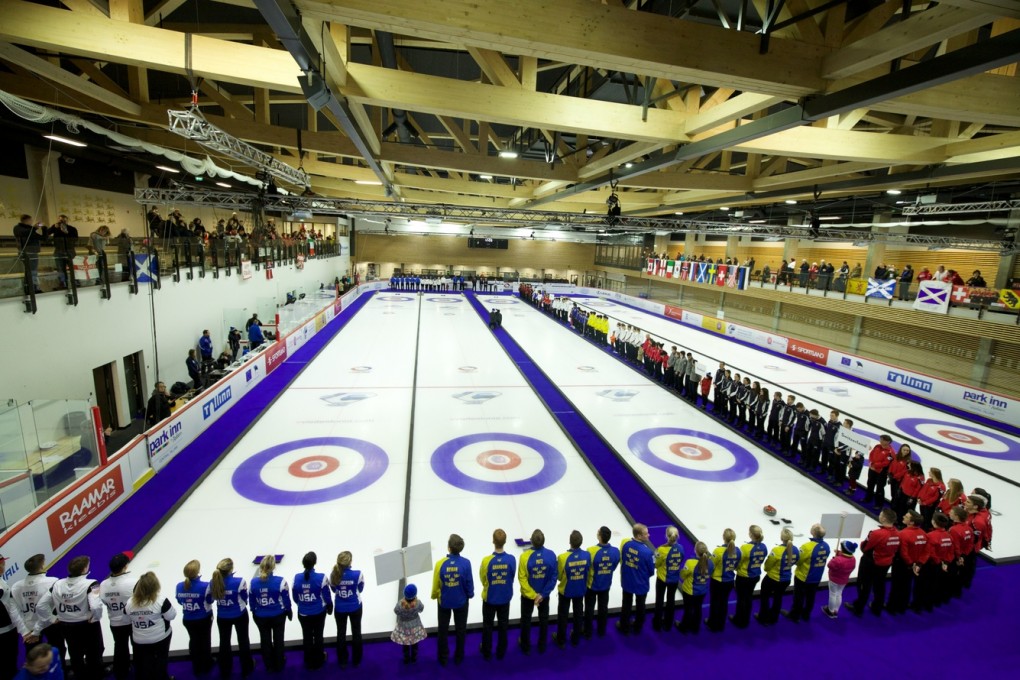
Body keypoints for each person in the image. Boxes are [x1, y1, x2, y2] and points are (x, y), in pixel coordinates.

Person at [36, 556, 103, 680]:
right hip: (87, 625)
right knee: (94, 653)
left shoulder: (57, 584)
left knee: (75, 655)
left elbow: (40, 606)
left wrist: (52, 618)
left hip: (66, 626)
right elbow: (96, 606)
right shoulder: (93, 584)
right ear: (84, 569)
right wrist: (95, 618)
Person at [11, 554, 62, 664]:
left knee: (33, 656)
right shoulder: (53, 581)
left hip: (30, 626)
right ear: (42, 566)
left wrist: (24, 631)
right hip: (50, 623)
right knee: (58, 650)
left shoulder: (16, 586)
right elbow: (54, 606)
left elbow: (15, 611)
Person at [431, 534, 473, 666]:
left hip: (444, 602)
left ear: (448, 548)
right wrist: (470, 594)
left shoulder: (440, 564)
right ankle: (459, 656)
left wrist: (435, 596)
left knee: (443, 630)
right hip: (461, 602)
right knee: (461, 630)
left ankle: (443, 657)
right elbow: (469, 583)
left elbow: (436, 585)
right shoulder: (466, 563)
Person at [850, 508, 900, 616]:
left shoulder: (876, 533)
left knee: (864, 584)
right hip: (886, 563)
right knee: (879, 585)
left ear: (884, 518)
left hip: (871, 562)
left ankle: (859, 607)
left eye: (881, 515)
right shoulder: (897, 533)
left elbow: (865, 547)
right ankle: (877, 607)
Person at [125, 572, 175, 680]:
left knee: (144, 662)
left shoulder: (129, 602)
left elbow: (127, 617)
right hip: (160, 638)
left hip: (139, 639)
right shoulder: (161, 600)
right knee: (161, 659)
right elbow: (171, 616)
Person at [210, 558, 254, 678]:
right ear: (231, 569)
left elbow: (211, 599)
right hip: (239, 614)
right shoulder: (239, 582)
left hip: (222, 616)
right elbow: (245, 597)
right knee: (243, 640)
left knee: (224, 642)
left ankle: (225, 669)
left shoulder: (213, 582)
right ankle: (247, 666)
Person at [249, 555, 291, 673]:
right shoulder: (280, 581)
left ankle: (269, 664)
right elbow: (286, 599)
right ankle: (279, 663)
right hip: (277, 615)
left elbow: (251, 599)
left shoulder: (253, 582)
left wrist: (253, 611)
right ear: (273, 567)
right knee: (278, 640)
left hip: (261, 616)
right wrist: (288, 610)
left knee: (265, 640)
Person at [518, 529, 556, 654]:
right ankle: (542, 645)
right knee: (544, 620)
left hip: (528, 596)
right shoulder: (551, 555)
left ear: (531, 541)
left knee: (526, 620)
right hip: (543, 596)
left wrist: (533, 595)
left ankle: (525, 645)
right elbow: (553, 577)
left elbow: (522, 579)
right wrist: (542, 595)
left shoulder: (525, 556)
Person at [99, 552, 136, 680]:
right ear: (125, 566)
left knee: (119, 646)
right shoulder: (132, 582)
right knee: (136, 645)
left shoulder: (103, 584)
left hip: (115, 621)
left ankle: (121, 672)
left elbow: (103, 600)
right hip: (131, 620)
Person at [479, 529, 515, 660]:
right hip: (505, 598)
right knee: (503, 625)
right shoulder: (511, 559)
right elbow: (511, 576)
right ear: (505, 542)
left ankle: (486, 651)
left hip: (490, 598)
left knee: (487, 626)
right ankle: (501, 651)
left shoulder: (486, 561)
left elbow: (483, 579)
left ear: (493, 541)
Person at [292, 552, 332, 670]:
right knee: (318, 636)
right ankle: (319, 658)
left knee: (307, 636)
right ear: (315, 563)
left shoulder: (296, 578)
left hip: (304, 613)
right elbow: (326, 596)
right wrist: (329, 606)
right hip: (318, 612)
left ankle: (308, 659)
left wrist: (303, 603)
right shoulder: (321, 578)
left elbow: (295, 597)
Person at [175, 560, 214, 676]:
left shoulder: (179, 586)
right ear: (198, 572)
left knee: (194, 640)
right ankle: (207, 664)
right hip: (204, 618)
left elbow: (179, 601)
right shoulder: (205, 586)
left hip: (188, 619)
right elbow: (210, 600)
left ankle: (196, 666)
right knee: (205, 640)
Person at [785, 524, 830, 622]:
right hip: (817, 576)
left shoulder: (807, 547)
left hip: (803, 576)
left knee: (799, 597)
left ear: (813, 533)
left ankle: (795, 615)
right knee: (811, 597)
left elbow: (798, 561)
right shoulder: (826, 546)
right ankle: (806, 615)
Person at [617, 523, 655, 635]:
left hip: (627, 580)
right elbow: (651, 571)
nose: (649, 535)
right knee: (640, 605)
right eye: (646, 533)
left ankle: (624, 625)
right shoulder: (648, 552)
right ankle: (638, 626)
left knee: (626, 604)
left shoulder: (626, 545)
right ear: (639, 536)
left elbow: (623, 560)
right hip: (641, 583)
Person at [554, 530, 590, 647]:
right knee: (578, 614)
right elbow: (587, 570)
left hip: (566, 590)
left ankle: (561, 639)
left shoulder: (563, 557)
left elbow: (559, 576)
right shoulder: (587, 555)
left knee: (563, 616)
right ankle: (575, 638)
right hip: (580, 589)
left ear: (569, 542)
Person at [888, 511, 927, 614]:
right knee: (907, 585)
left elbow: (903, 553)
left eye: (906, 516)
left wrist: (910, 563)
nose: (903, 516)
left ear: (911, 522)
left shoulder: (903, 534)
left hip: (903, 564)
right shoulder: (923, 533)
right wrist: (919, 563)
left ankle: (892, 607)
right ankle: (903, 606)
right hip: (915, 565)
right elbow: (926, 551)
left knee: (897, 586)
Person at [583, 526, 619, 638]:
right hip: (606, 584)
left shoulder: (591, 551)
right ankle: (601, 630)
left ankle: (588, 631)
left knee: (589, 609)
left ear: (599, 536)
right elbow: (614, 565)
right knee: (603, 608)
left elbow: (587, 568)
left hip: (592, 585)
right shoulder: (615, 551)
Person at [756, 528, 797, 626]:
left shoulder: (777, 550)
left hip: (773, 579)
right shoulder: (795, 550)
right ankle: (774, 617)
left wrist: (767, 569)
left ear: (781, 538)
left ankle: (763, 617)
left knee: (765, 597)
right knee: (778, 598)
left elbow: (768, 565)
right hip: (786, 579)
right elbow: (796, 560)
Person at [331, 551, 364, 668]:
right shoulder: (357, 574)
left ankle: (342, 660)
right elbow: (360, 588)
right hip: (355, 606)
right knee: (356, 632)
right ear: (350, 562)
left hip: (340, 608)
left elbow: (334, 590)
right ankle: (357, 659)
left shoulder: (333, 574)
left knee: (341, 633)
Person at [730, 525, 767, 628]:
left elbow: (738, 561)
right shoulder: (764, 547)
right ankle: (746, 619)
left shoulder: (745, 548)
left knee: (741, 599)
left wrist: (736, 569)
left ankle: (739, 620)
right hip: (755, 576)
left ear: (750, 534)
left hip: (744, 577)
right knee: (748, 597)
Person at [1, 552, 30, 680]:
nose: (5, 566)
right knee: (9, 663)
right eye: (3, 564)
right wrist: (24, 631)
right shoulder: (2, 589)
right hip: (6, 633)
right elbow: (12, 609)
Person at [651, 526, 683, 632]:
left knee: (659, 601)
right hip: (674, 579)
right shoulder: (681, 548)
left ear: (666, 536)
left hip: (662, 579)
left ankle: (657, 623)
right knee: (671, 601)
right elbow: (681, 560)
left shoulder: (661, 549)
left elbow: (655, 564)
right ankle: (668, 623)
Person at [706, 528, 739, 631]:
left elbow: (711, 566)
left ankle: (712, 623)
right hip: (729, 581)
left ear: (723, 538)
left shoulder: (718, 551)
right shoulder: (738, 551)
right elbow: (736, 565)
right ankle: (721, 623)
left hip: (718, 581)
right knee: (724, 602)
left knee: (715, 602)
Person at [677, 542, 712, 634]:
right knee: (698, 608)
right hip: (702, 590)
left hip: (690, 591)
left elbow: (683, 575)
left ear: (695, 550)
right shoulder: (711, 563)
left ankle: (683, 627)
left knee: (688, 609)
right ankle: (695, 627)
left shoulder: (691, 563)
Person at [821, 541, 857, 619]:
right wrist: (839, 554)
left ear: (843, 550)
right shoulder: (853, 559)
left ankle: (830, 611)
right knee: (839, 594)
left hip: (834, 579)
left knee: (832, 594)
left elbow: (829, 565)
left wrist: (834, 558)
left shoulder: (838, 560)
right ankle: (836, 610)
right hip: (844, 580)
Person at [391, 584, 426, 665]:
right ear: (415, 595)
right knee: (415, 643)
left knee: (405, 644)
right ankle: (414, 657)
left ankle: (406, 658)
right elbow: (422, 609)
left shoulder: (400, 604)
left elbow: (396, 611)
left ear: (404, 594)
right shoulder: (417, 603)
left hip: (404, 628)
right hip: (415, 627)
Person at [13, 214, 44, 293]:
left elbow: (42, 238)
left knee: (31, 270)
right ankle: (32, 287)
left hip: (33, 251)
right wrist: (33, 228)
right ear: (27, 220)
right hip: (27, 252)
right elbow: (24, 233)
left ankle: (31, 286)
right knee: (32, 270)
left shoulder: (31, 230)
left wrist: (44, 229)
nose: (31, 222)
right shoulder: (18, 228)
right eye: (30, 220)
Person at [46, 215, 78, 288]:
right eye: (60, 220)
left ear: (67, 220)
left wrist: (66, 232)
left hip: (69, 250)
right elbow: (46, 234)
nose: (62, 222)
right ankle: (63, 282)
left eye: (64, 220)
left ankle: (75, 281)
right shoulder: (55, 228)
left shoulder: (72, 229)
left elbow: (75, 239)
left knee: (72, 267)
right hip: (59, 250)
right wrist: (53, 227)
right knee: (60, 268)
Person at [864, 434, 895, 508]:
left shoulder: (891, 452)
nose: (880, 441)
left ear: (887, 442)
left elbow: (886, 463)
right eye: (880, 439)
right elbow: (871, 454)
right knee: (870, 484)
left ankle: (879, 504)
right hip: (872, 469)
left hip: (882, 472)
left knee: (879, 488)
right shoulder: (877, 446)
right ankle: (868, 498)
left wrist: (875, 465)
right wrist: (871, 463)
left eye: (882, 440)